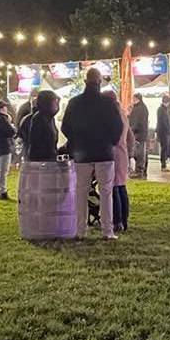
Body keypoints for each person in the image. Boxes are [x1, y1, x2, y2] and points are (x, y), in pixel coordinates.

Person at [61, 68, 123, 239]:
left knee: (80, 192)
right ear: (100, 81)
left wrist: (76, 142)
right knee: (106, 192)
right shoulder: (108, 103)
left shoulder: (74, 103)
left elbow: (65, 127)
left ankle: (80, 231)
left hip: (82, 154)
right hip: (104, 152)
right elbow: (118, 127)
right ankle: (107, 231)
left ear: (85, 82)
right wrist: (110, 142)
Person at [103, 91, 135, 230]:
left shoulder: (109, 115)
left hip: (112, 154)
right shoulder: (123, 115)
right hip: (123, 154)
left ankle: (117, 221)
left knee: (114, 188)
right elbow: (131, 137)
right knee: (121, 187)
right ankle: (124, 220)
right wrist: (130, 153)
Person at [19, 91, 61, 162]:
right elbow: (37, 142)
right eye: (55, 102)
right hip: (42, 161)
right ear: (47, 103)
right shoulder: (39, 119)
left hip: (48, 159)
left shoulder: (49, 118)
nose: (56, 105)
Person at [0, 100, 17, 200]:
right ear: (2, 109)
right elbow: (10, 131)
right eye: (5, 107)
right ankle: (2, 191)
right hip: (4, 147)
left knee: (0, 171)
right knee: (3, 171)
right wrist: (12, 125)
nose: (7, 109)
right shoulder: (2, 120)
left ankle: (1, 190)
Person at [129, 93, 149, 178]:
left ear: (137, 99)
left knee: (139, 153)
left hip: (139, 134)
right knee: (142, 152)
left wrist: (132, 130)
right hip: (141, 133)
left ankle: (139, 171)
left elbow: (137, 122)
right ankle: (142, 170)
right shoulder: (141, 107)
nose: (132, 100)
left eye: (133, 98)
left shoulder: (139, 108)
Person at [156, 94, 170, 172]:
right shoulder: (162, 110)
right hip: (164, 133)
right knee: (164, 149)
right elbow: (163, 122)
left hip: (166, 133)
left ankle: (169, 162)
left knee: (168, 148)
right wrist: (169, 130)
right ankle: (163, 165)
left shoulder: (164, 109)